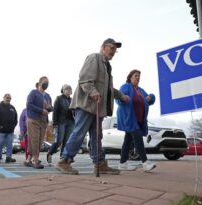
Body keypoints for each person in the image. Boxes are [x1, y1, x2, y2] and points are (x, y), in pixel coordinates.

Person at [57, 38, 129, 175]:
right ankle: (64, 161)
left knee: (97, 136)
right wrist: (93, 92)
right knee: (79, 133)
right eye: (111, 48)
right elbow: (84, 79)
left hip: (98, 107)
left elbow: (108, 88)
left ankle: (99, 163)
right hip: (86, 105)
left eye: (115, 50)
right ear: (103, 47)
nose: (113, 51)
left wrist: (120, 95)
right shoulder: (94, 58)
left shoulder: (107, 66)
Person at [116, 70, 156, 172]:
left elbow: (150, 100)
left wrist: (150, 97)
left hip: (139, 120)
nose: (138, 77)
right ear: (130, 78)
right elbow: (118, 97)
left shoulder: (141, 91)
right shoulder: (126, 86)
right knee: (138, 138)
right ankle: (145, 162)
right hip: (129, 118)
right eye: (136, 76)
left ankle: (122, 164)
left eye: (139, 76)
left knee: (128, 140)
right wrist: (123, 98)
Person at [25, 77, 53, 169]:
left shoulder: (48, 95)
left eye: (48, 83)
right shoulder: (33, 93)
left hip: (43, 121)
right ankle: (35, 160)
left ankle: (28, 159)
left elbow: (51, 107)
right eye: (45, 82)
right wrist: (41, 110)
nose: (46, 84)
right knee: (34, 139)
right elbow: (29, 105)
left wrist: (49, 108)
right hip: (33, 119)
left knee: (39, 140)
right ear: (39, 83)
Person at [47, 84, 75, 163]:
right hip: (60, 122)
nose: (68, 90)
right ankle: (50, 152)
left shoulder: (72, 100)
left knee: (67, 141)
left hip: (70, 122)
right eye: (66, 89)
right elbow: (55, 111)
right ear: (63, 90)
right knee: (59, 141)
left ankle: (63, 159)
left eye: (70, 89)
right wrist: (55, 122)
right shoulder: (59, 98)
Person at [0, 94, 18, 163]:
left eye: (9, 98)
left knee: (9, 145)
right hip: (0, 131)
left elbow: (15, 118)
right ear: (3, 98)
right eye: (7, 98)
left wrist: (13, 126)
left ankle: (9, 157)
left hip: (10, 131)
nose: (8, 99)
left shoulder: (12, 107)